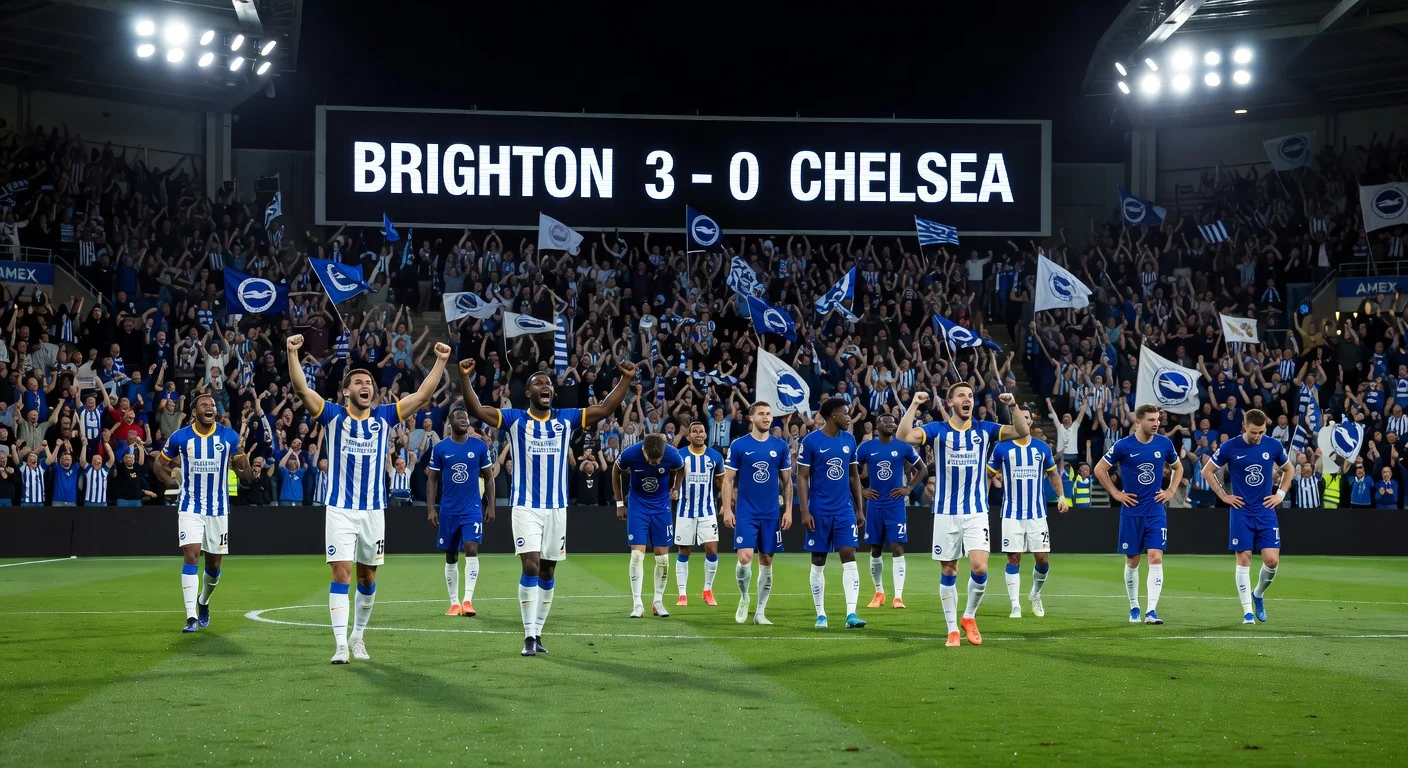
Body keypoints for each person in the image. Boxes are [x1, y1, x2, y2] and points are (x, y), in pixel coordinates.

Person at [286, 333, 452, 665]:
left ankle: (358, 636)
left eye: (370, 382)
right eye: (359, 381)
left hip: (374, 511)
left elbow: (421, 395)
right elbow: (303, 389)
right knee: (341, 573)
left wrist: (441, 361)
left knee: (367, 577)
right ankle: (340, 645)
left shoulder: (385, 417)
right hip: (340, 510)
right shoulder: (332, 414)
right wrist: (292, 352)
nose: (367, 385)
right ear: (346, 390)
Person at [458, 356, 635, 657]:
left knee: (549, 570)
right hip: (525, 506)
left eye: (549, 384)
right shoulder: (514, 419)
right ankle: (528, 636)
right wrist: (464, 377)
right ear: (527, 393)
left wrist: (626, 380)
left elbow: (605, 409)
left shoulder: (566, 418)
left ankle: (538, 632)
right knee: (531, 564)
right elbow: (476, 409)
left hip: (557, 508)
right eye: (538, 383)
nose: (545, 386)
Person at [898, 385, 1025, 647]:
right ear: (950, 402)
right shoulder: (938, 430)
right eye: (961, 396)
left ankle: (968, 616)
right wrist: (914, 404)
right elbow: (904, 436)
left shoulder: (984, 428)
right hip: (945, 512)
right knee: (949, 568)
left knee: (980, 568)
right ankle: (952, 629)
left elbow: (1022, 431)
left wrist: (1012, 405)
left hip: (977, 511)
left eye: (970, 395)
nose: (967, 399)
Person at [153, 393, 256, 633]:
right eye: (204, 404)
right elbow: (159, 464)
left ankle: (203, 601)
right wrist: (172, 484)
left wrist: (243, 464)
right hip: (190, 506)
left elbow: (245, 474)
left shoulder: (228, 436)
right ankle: (190, 616)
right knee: (191, 556)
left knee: (214, 566)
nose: (210, 407)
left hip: (218, 510)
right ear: (194, 412)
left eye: (212, 404)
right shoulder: (181, 437)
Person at [1199, 409, 1292, 624]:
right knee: (1244, 559)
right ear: (1244, 427)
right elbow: (1207, 471)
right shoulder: (1230, 446)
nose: (1257, 436)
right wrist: (1224, 495)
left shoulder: (1273, 445)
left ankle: (1257, 594)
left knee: (1272, 560)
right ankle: (1247, 612)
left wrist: (1280, 494)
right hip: (1241, 512)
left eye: (1261, 432)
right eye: (1253, 432)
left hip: (1265, 511)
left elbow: (1289, 470)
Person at [1094, 403, 1184, 625]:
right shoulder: (1124, 445)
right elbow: (1099, 469)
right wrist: (1116, 493)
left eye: (1157, 420)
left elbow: (1178, 467)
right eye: (1151, 420)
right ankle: (1134, 606)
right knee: (1133, 560)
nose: (1156, 424)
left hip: (1155, 510)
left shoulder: (1164, 443)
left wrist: (1171, 490)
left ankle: (1151, 610)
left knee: (1155, 557)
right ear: (1138, 421)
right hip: (1132, 511)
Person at [987, 407, 1066, 619]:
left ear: (1030, 422)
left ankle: (1034, 594)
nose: (1023, 421)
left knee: (1042, 560)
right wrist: (982, 500)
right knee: (1013, 558)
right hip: (1012, 513)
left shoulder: (1041, 448)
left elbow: (1053, 475)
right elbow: (989, 475)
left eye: (1027, 418)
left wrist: (1061, 497)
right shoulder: (1002, 448)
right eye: (1019, 418)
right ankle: (1015, 606)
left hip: (1037, 514)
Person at [720, 401, 793, 626]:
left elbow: (787, 481)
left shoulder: (780, 446)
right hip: (746, 512)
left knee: (766, 560)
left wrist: (789, 510)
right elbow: (728, 479)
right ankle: (744, 597)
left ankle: (760, 612)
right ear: (751, 418)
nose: (767, 417)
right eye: (761, 414)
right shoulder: (739, 445)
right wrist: (727, 509)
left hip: (771, 513)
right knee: (744, 558)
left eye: (769, 414)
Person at [797, 397, 866, 629]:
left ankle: (851, 614)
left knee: (849, 556)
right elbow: (802, 477)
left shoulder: (849, 440)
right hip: (819, 510)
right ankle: (821, 614)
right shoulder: (811, 441)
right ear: (832, 415)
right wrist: (805, 510)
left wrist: (859, 509)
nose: (848, 417)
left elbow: (854, 476)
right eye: (845, 413)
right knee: (818, 560)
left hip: (844, 510)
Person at [427, 407, 495, 617]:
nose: (464, 420)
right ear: (450, 422)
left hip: (472, 508)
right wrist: (431, 508)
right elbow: (432, 479)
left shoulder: (480, 446)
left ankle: (468, 601)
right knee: (451, 554)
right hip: (448, 509)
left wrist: (491, 505)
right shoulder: (440, 448)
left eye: (465, 417)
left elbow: (489, 476)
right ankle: (454, 602)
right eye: (459, 417)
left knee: (471, 548)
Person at [855, 412, 923, 609]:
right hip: (875, 505)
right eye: (887, 422)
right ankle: (879, 592)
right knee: (875, 549)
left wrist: (909, 488)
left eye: (894, 423)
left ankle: (898, 597)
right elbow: (852, 470)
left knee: (897, 548)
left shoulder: (903, 447)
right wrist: (861, 489)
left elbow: (923, 469)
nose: (892, 425)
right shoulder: (866, 447)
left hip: (895, 505)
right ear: (878, 425)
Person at [614, 433, 685, 618]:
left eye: (658, 460)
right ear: (643, 450)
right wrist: (620, 503)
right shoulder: (630, 453)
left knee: (663, 558)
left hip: (662, 508)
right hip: (638, 507)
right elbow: (616, 470)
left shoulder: (672, 454)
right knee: (637, 555)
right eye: (650, 460)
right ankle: (637, 603)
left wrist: (676, 487)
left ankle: (658, 601)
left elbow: (682, 468)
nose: (654, 463)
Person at [673, 422, 724, 607]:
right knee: (684, 550)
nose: (698, 434)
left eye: (701, 431)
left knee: (711, 549)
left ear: (705, 434)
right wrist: (674, 490)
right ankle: (682, 594)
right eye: (694, 431)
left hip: (707, 511)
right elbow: (674, 477)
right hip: (685, 511)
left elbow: (721, 482)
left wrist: (725, 504)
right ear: (689, 436)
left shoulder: (715, 456)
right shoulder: (680, 455)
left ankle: (708, 590)